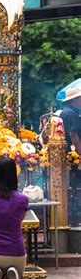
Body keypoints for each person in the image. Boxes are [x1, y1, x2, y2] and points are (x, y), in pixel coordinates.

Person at [60, 87, 81, 227]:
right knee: (75, 187)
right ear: (75, 100)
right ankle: (75, 218)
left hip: (68, 154)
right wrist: (80, 153)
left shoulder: (64, 112)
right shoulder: (71, 114)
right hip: (73, 156)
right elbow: (73, 134)